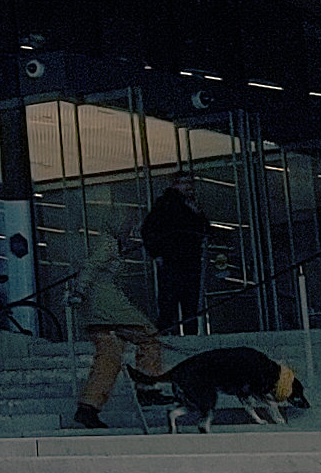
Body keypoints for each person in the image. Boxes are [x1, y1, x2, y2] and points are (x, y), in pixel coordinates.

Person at [61, 227, 169, 429]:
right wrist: (80, 291)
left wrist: (81, 293)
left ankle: (88, 407)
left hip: (97, 310)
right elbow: (91, 266)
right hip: (108, 307)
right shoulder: (108, 243)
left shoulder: (108, 243)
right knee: (148, 336)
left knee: (109, 356)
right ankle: (147, 386)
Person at [141, 180, 215, 333]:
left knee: (182, 304)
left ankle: (174, 334)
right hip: (176, 260)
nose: (189, 188)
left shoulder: (183, 206)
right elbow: (148, 231)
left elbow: (205, 230)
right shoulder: (167, 206)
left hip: (183, 261)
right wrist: (158, 254)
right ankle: (178, 334)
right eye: (185, 184)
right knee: (176, 303)